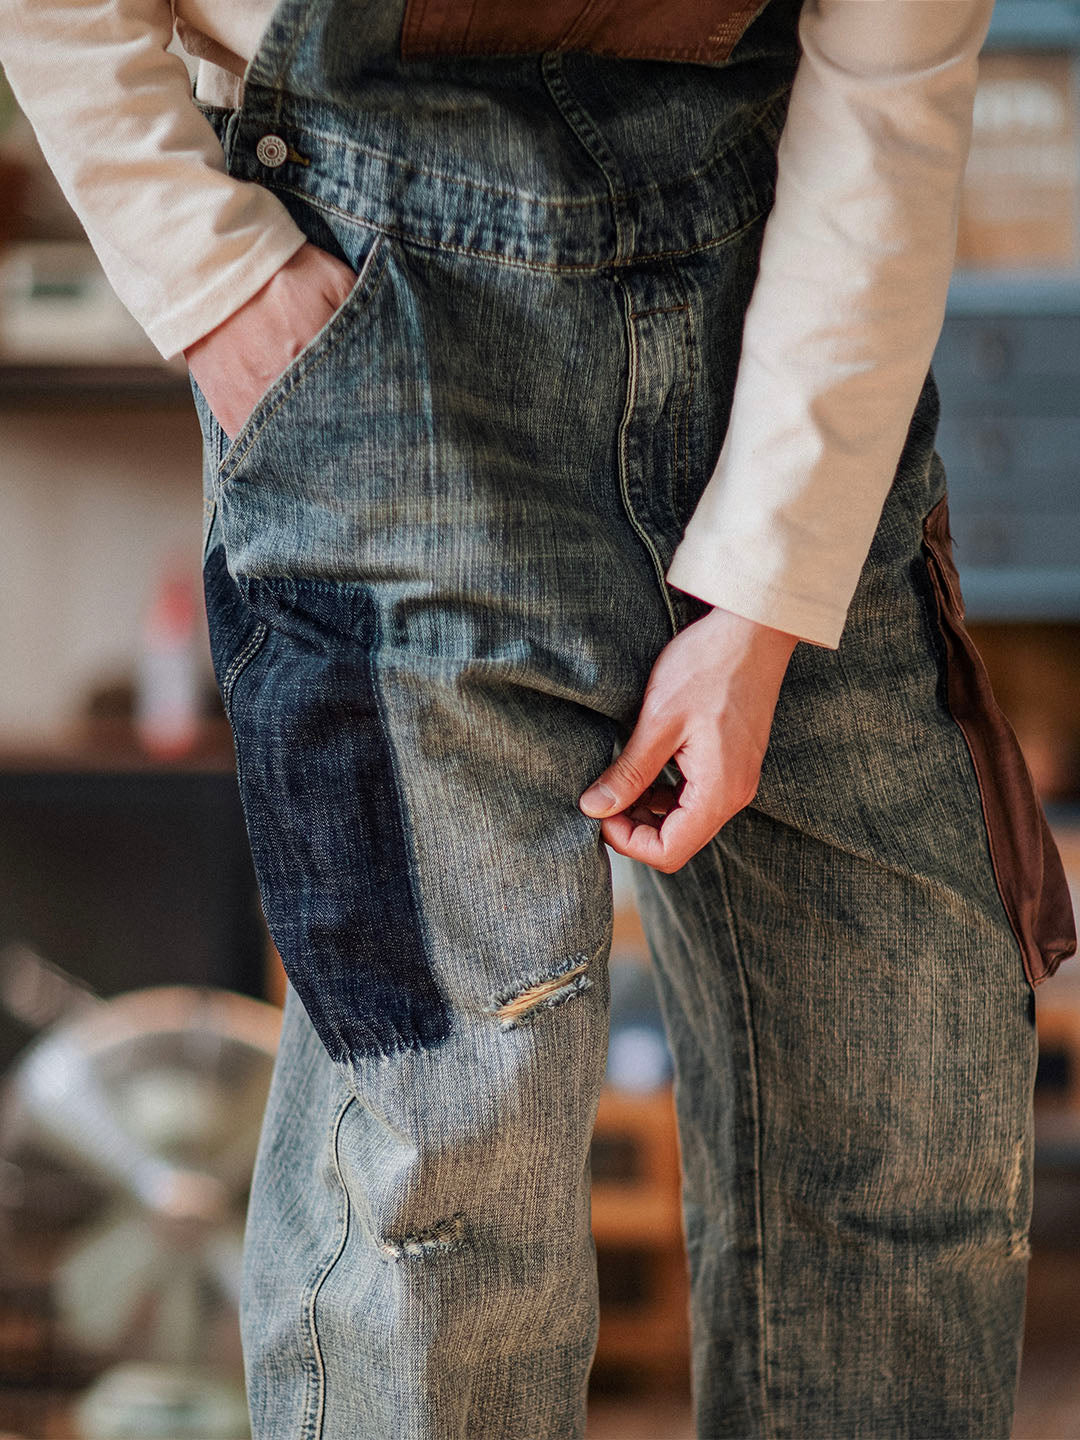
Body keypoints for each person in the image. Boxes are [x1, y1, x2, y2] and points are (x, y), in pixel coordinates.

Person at [2, 0, 1075, 1434]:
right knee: (442, 1204)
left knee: (910, 1139)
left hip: (784, 304)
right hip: (380, 320)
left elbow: (894, 73)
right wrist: (214, 285)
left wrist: (763, 601)